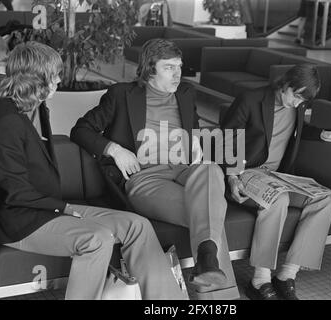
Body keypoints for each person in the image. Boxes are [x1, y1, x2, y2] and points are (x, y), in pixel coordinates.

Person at [0, 41, 185, 300]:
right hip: (22, 219)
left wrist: (65, 208)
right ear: (36, 79)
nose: (60, 79)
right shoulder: (4, 120)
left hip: (49, 209)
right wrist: (68, 210)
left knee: (137, 226)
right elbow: (17, 194)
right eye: (55, 75)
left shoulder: (36, 107)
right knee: (96, 238)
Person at [70, 38, 235, 294]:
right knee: (210, 208)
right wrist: (116, 150)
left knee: (212, 171)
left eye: (179, 67)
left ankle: (207, 261)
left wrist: (198, 144)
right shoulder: (122, 95)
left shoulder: (186, 93)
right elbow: (80, 130)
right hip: (146, 179)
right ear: (150, 68)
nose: (178, 74)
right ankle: (211, 271)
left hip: (186, 170)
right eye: (169, 67)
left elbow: (196, 128)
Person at [220, 64, 331, 300]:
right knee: (277, 199)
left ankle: (286, 275)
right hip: (246, 172)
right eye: (297, 95)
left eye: (304, 100)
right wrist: (231, 177)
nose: (298, 103)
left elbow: (298, 130)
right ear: (286, 84)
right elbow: (228, 137)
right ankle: (259, 280)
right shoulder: (250, 99)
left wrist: (323, 134)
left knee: (326, 201)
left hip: (277, 176)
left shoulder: (297, 106)